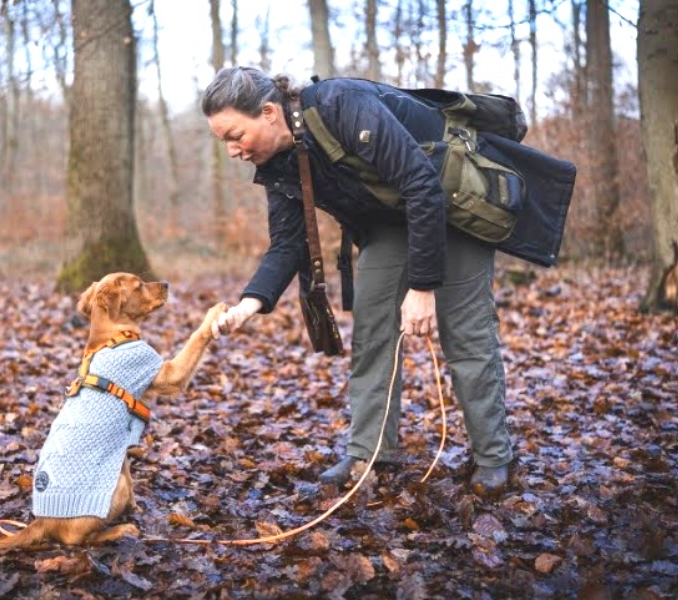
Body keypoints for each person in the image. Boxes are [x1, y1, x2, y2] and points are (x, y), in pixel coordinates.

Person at [203, 66, 512, 495]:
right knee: (371, 331)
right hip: (387, 222)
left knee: (465, 334)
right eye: (224, 142)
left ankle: (494, 458)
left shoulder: (341, 105)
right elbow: (287, 244)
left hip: (449, 206)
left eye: (235, 136)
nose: (233, 150)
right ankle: (369, 453)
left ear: (269, 112)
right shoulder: (278, 162)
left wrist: (423, 288)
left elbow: (421, 184)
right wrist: (248, 305)